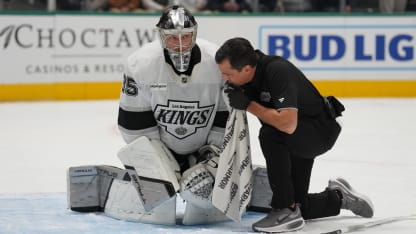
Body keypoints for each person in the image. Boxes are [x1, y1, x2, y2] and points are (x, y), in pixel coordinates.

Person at [67, 5, 230, 226]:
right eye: (173, 38)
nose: (180, 45)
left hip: (203, 147)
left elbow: (225, 118)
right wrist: (163, 165)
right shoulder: (141, 63)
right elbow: (133, 124)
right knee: (161, 203)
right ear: (162, 37)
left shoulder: (216, 61)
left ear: (195, 34)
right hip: (159, 147)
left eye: (186, 37)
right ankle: (117, 190)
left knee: (201, 202)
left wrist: (210, 159)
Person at [215, 37, 374, 233]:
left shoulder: (277, 71)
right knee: (300, 206)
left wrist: (249, 105)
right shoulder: (247, 76)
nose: (224, 79)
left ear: (246, 69)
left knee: (269, 135)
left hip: (317, 133)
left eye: (227, 74)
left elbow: (288, 124)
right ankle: (339, 197)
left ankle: (284, 209)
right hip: (296, 137)